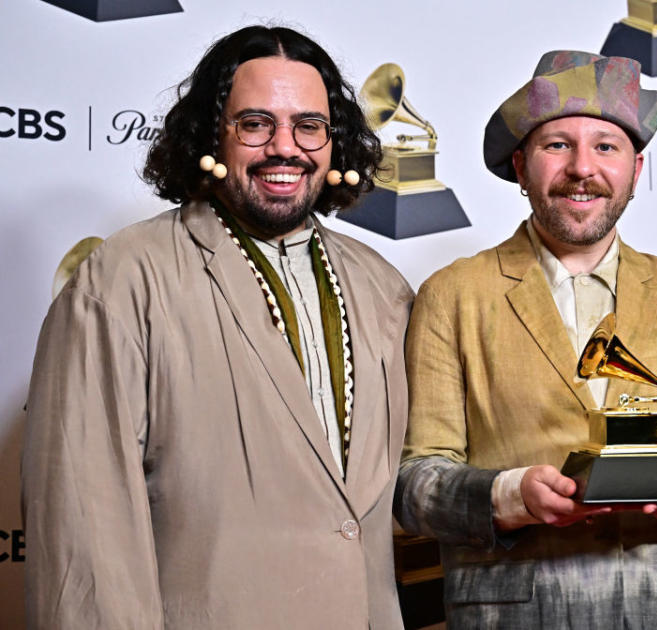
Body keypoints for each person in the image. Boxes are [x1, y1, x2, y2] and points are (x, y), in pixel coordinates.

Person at [22, 26, 412, 630]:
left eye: (309, 125)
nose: (286, 147)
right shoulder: (123, 278)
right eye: (255, 123)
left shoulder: (383, 287)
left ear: (334, 145)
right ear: (212, 135)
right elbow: (83, 525)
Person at [395, 50, 657, 629]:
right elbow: (415, 483)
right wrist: (509, 496)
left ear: (636, 171)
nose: (582, 168)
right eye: (557, 145)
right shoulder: (452, 295)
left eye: (606, 146)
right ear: (521, 167)